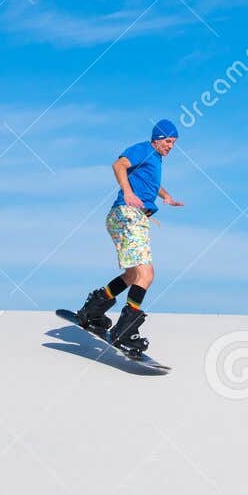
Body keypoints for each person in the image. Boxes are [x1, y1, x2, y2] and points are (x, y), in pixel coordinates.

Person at [73, 119, 184, 353]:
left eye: (173, 143)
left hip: (125, 217)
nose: (171, 146)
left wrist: (165, 195)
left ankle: (93, 310)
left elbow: (151, 182)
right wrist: (128, 191)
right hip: (128, 214)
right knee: (147, 274)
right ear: (156, 139)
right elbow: (118, 165)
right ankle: (124, 331)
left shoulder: (155, 158)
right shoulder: (144, 149)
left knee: (133, 275)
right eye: (168, 141)